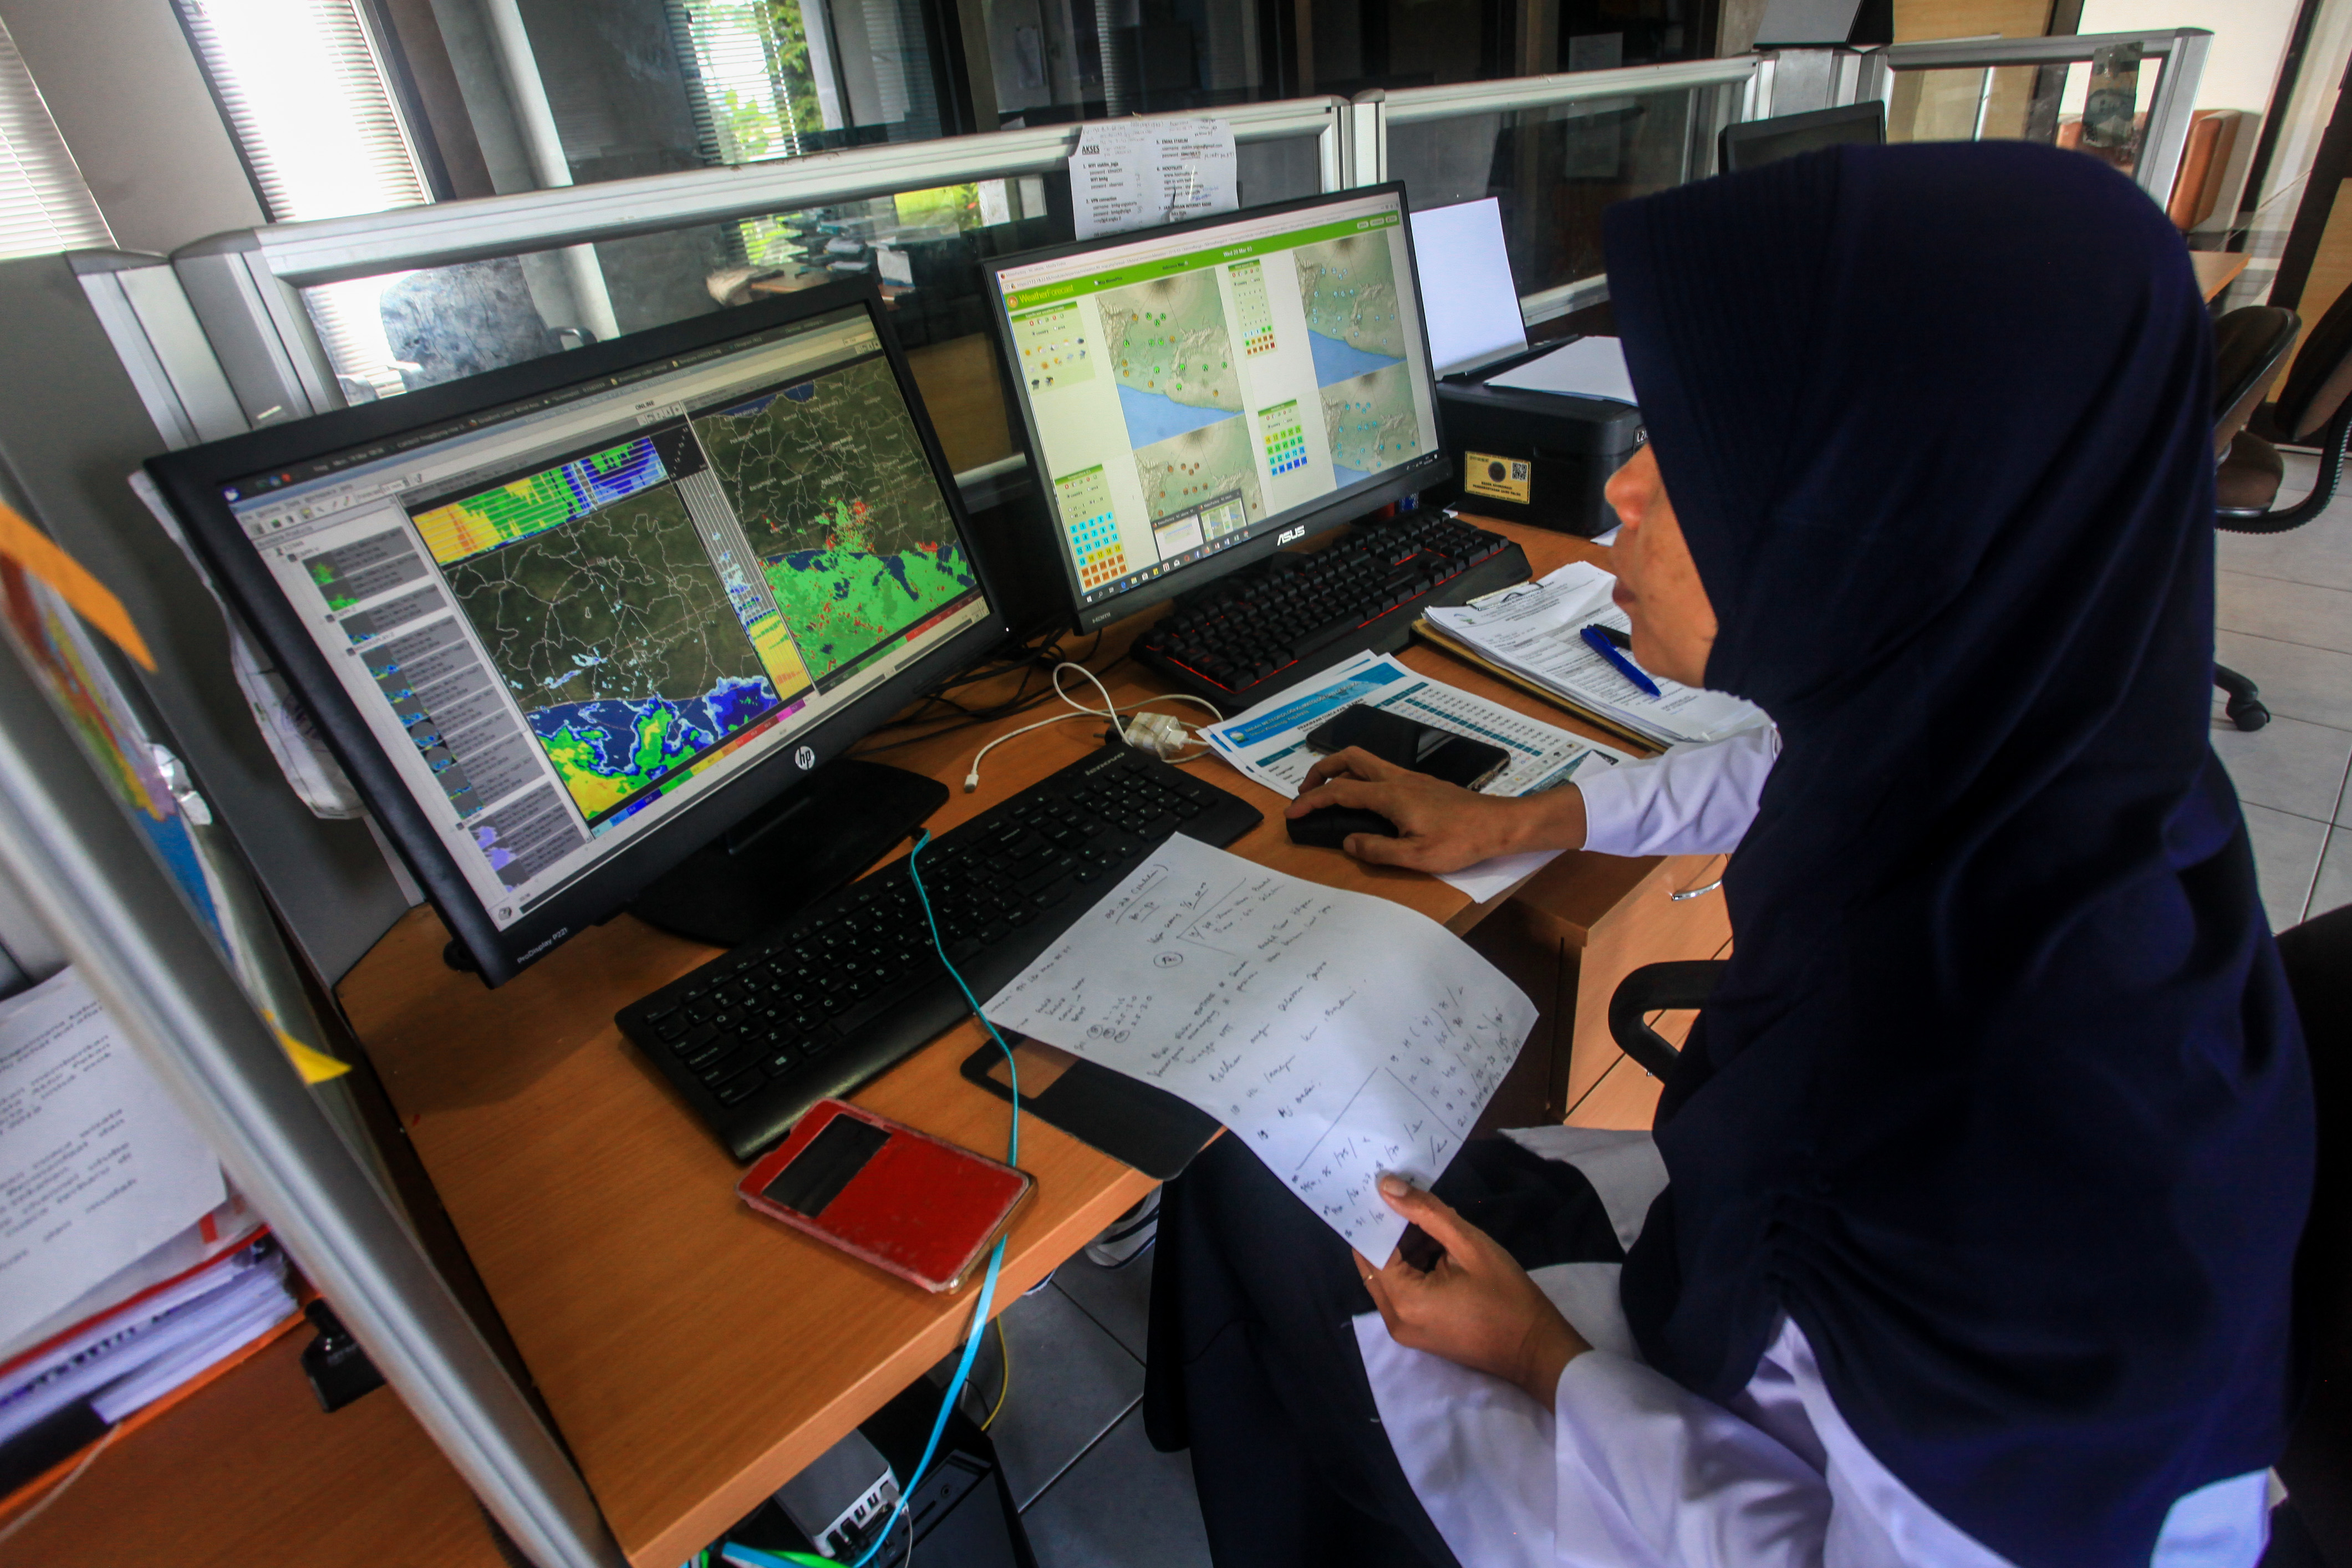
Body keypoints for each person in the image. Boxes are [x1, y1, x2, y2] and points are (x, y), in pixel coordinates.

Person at [1142, 141, 2315, 1568]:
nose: (1623, 496)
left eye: (1696, 456)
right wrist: (1524, 820)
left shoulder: (2003, 1111)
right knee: (1265, 1167)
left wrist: (1539, 1357)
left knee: (1255, 1199)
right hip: (1773, 1294)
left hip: (1731, 1471)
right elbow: (1795, 767)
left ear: (1898, 506)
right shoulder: (2065, 750)